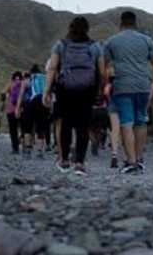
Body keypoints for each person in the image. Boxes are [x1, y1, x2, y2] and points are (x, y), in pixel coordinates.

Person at [102, 10, 153, 175]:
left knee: (126, 123)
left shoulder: (112, 42)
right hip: (143, 86)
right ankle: (138, 159)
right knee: (141, 121)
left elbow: (103, 66)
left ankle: (130, 162)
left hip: (123, 86)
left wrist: (103, 84)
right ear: (135, 23)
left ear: (121, 23)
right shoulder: (147, 40)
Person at [43, 16, 106, 176]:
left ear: (70, 28)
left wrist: (47, 91)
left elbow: (52, 68)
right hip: (87, 90)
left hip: (65, 89)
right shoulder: (95, 47)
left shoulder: (61, 45)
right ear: (87, 29)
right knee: (83, 126)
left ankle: (64, 161)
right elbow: (102, 72)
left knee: (65, 124)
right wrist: (100, 89)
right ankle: (79, 163)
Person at [21, 64, 50, 158]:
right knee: (40, 128)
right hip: (43, 103)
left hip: (31, 103)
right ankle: (40, 151)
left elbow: (21, 94)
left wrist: (18, 107)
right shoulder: (45, 78)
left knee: (28, 127)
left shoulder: (28, 79)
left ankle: (28, 150)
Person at [1, 71, 23, 154]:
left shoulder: (11, 83)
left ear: (13, 77)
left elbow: (3, 93)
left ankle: (15, 148)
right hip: (22, 109)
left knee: (13, 130)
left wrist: (3, 102)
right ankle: (25, 146)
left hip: (10, 110)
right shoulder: (23, 83)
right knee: (24, 129)